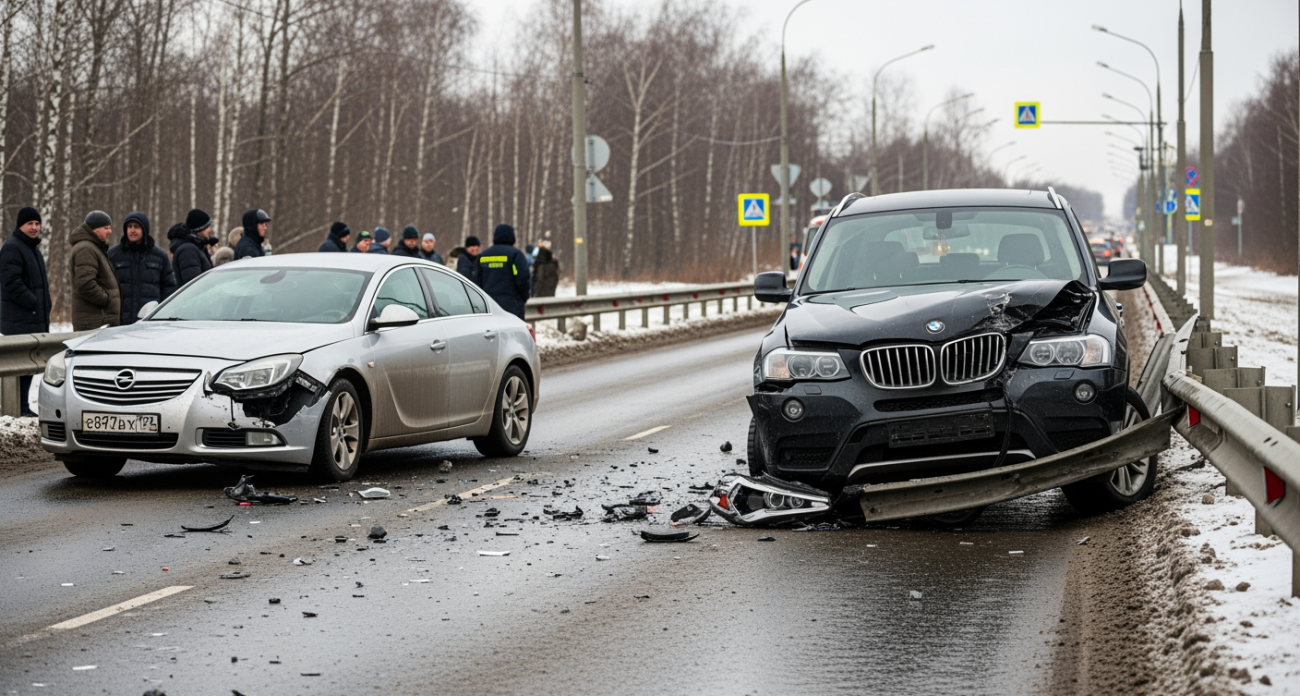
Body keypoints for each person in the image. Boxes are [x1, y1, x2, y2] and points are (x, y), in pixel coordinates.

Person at [1, 207, 50, 416]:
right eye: (30, 223)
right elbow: (10, 281)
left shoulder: (32, 248)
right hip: (20, 317)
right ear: (20, 225)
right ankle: (17, 408)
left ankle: (21, 406)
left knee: (28, 364)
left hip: (32, 316)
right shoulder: (13, 247)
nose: (35, 227)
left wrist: (45, 305)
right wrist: (33, 302)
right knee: (20, 365)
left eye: (37, 224)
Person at [108, 211, 177, 325]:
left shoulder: (159, 255)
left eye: (136, 227)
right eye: (129, 227)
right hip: (120, 320)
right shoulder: (114, 254)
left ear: (144, 229)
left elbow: (169, 285)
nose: (132, 230)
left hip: (149, 320)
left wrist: (160, 311)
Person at [69, 210, 121, 331]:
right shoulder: (86, 249)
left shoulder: (94, 248)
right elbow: (85, 284)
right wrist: (106, 299)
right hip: (94, 322)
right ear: (95, 229)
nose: (110, 231)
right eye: (106, 228)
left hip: (97, 321)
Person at [477, 224, 530, 320]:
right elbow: (523, 278)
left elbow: (476, 280)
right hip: (511, 304)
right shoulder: (515, 254)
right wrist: (523, 298)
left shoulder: (483, 256)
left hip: (488, 305)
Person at [170, 208, 215, 285]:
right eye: (208, 226)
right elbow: (193, 284)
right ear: (201, 228)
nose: (210, 229)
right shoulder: (188, 251)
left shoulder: (197, 247)